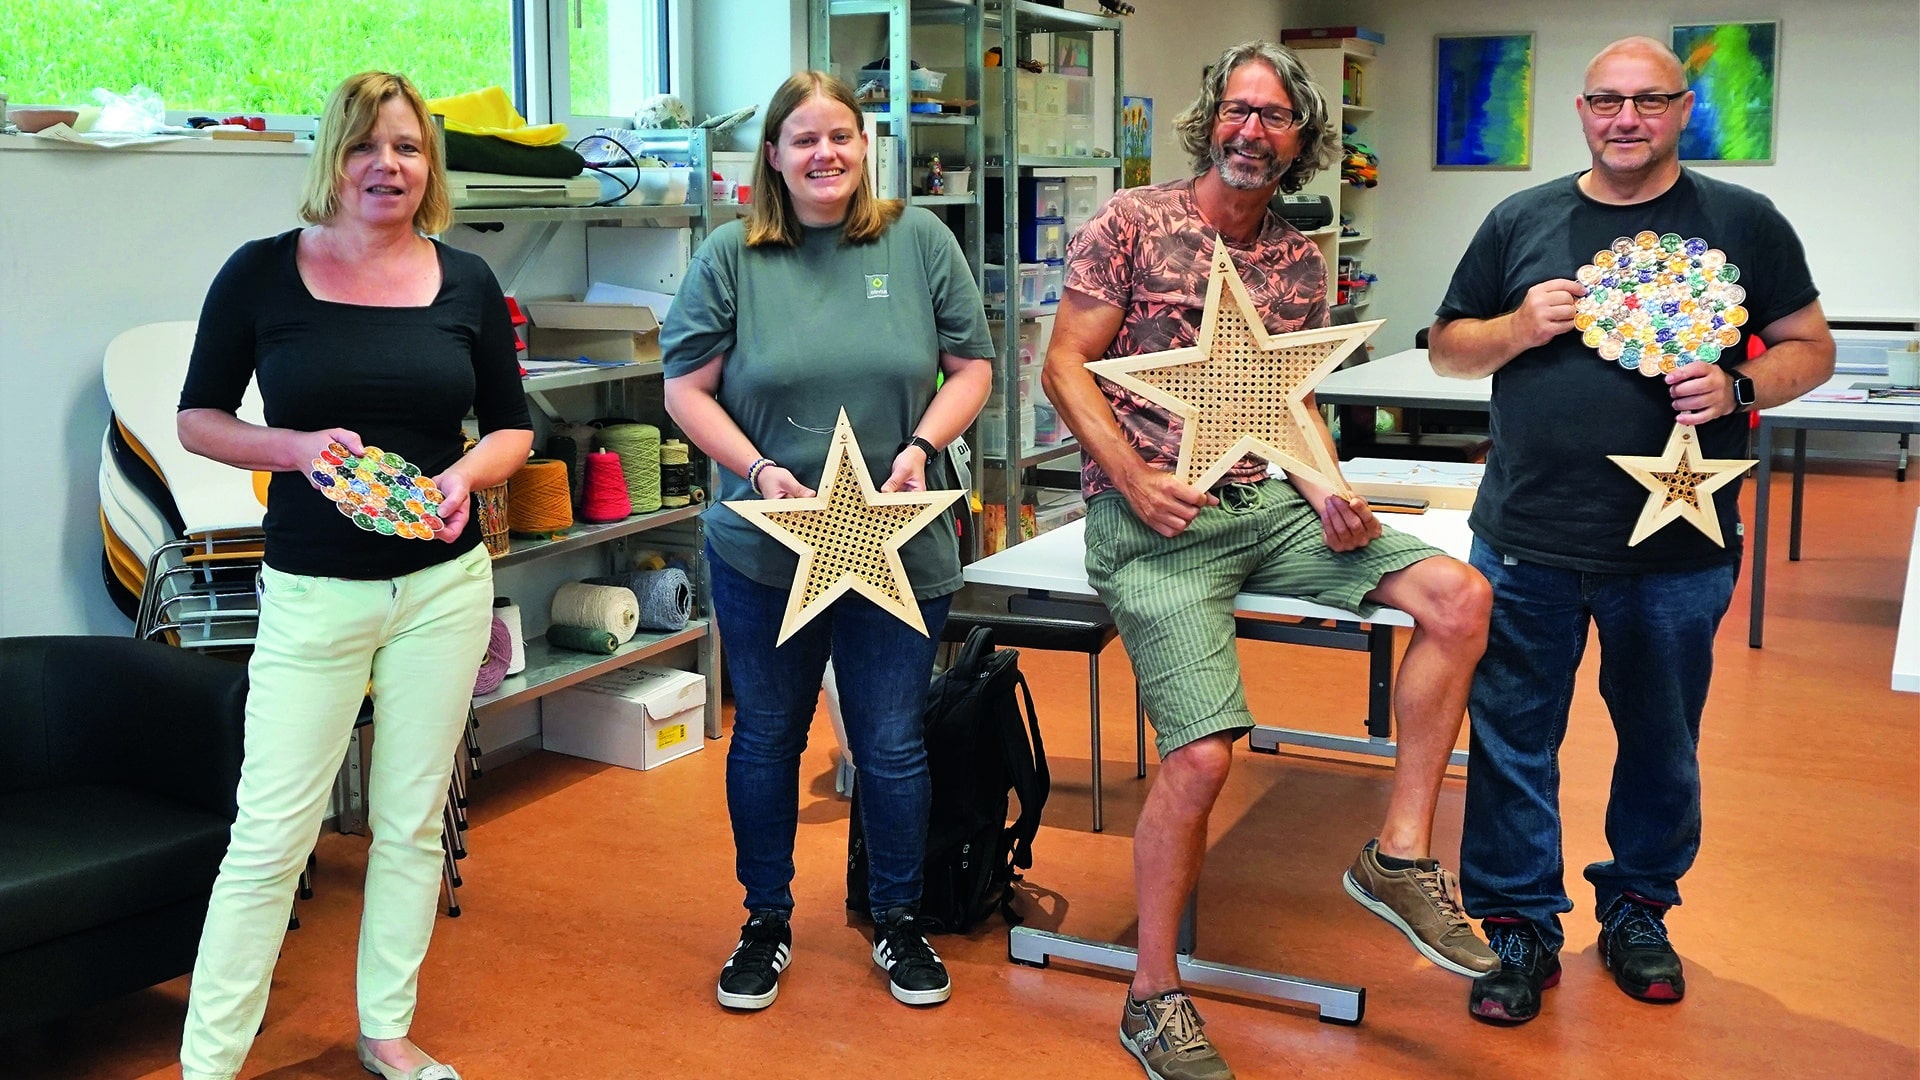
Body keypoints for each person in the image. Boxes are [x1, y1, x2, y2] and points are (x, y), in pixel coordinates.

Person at [1043, 41, 1497, 1080]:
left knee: (1459, 598)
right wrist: (1134, 477)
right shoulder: (1131, 223)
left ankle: (1398, 857)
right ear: (1212, 122)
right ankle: (1153, 995)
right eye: (1239, 112)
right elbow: (1063, 366)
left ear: (1301, 140)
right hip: (1151, 520)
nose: (1252, 131)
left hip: (1265, 505)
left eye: (1275, 117)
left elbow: (1278, 398)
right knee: (1202, 756)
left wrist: (1327, 485)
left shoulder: (1297, 257)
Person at [1429, 36, 1834, 1024]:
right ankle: (1519, 927)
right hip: (1525, 537)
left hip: (1677, 549)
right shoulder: (1519, 219)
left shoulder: (1743, 221)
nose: (1626, 119)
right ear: (1580, 109)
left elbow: (1811, 350)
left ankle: (1639, 909)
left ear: (1681, 108)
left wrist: (1742, 384)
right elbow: (1447, 348)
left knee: (1661, 739)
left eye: (1648, 101)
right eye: (1607, 101)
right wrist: (1518, 327)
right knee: (1515, 738)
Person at [175, 71, 534, 1080]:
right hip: (313, 590)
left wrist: (464, 476)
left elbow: (510, 424)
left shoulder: (466, 279)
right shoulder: (259, 274)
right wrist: (290, 449)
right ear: (332, 155)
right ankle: (210, 1063)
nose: (389, 165)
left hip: (443, 587)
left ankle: (385, 1031)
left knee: (412, 820)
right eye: (368, 145)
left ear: (432, 165)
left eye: (410, 147)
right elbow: (198, 418)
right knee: (272, 832)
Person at [660, 71, 994, 1012]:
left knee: (890, 744)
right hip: (766, 548)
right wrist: (760, 471)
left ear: (865, 145)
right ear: (773, 154)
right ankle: (765, 921)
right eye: (803, 139)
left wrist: (925, 446)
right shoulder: (733, 255)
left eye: (841, 136)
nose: (825, 155)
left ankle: (898, 920)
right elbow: (686, 386)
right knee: (767, 737)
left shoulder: (918, 240)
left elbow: (971, 367)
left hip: (900, 541)